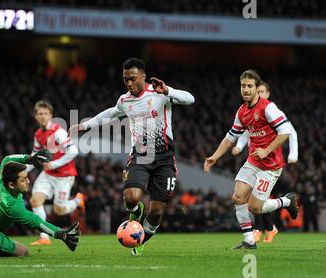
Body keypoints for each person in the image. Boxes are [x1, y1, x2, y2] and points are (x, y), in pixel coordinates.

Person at [69, 58, 195, 256]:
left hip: (165, 160)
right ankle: (136, 211)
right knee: (130, 199)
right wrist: (84, 125)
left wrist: (168, 90)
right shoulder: (124, 101)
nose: (129, 83)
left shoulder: (160, 93)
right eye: (126, 79)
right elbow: (110, 114)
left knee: (157, 211)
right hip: (140, 156)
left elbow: (190, 99)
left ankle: (140, 238)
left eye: (133, 79)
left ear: (143, 77)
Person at [204, 69, 298, 249]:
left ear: (256, 88)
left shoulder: (267, 107)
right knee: (238, 197)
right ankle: (248, 241)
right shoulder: (241, 112)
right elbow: (231, 136)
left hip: (270, 166)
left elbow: (285, 131)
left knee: (255, 208)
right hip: (253, 162)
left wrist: (267, 150)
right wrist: (214, 157)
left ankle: (287, 201)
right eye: (242, 86)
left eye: (249, 86)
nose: (245, 89)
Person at [231, 81, 298, 243]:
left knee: (255, 204)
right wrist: (239, 146)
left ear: (267, 94)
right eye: (257, 91)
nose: (258, 94)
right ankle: (264, 229)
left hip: (270, 163)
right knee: (247, 200)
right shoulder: (248, 111)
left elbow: (290, 131)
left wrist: (293, 154)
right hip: (254, 160)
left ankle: (262, 228)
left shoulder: (272, 110)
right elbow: (245, 132)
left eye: (261, 91)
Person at [29, 101, 85, 246]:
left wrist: (53, 164)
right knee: (35, 201)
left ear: (51, 116)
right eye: (40, 114)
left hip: (64, 176)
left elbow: (73, 151)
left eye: (46, 114)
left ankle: (78, 200)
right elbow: (34, 156)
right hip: (48, 174)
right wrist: (23, 168)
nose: (43, 116)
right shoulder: (38, 134)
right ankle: (44, 238)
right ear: (35, 116)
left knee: (58, 210)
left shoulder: (58, 132)